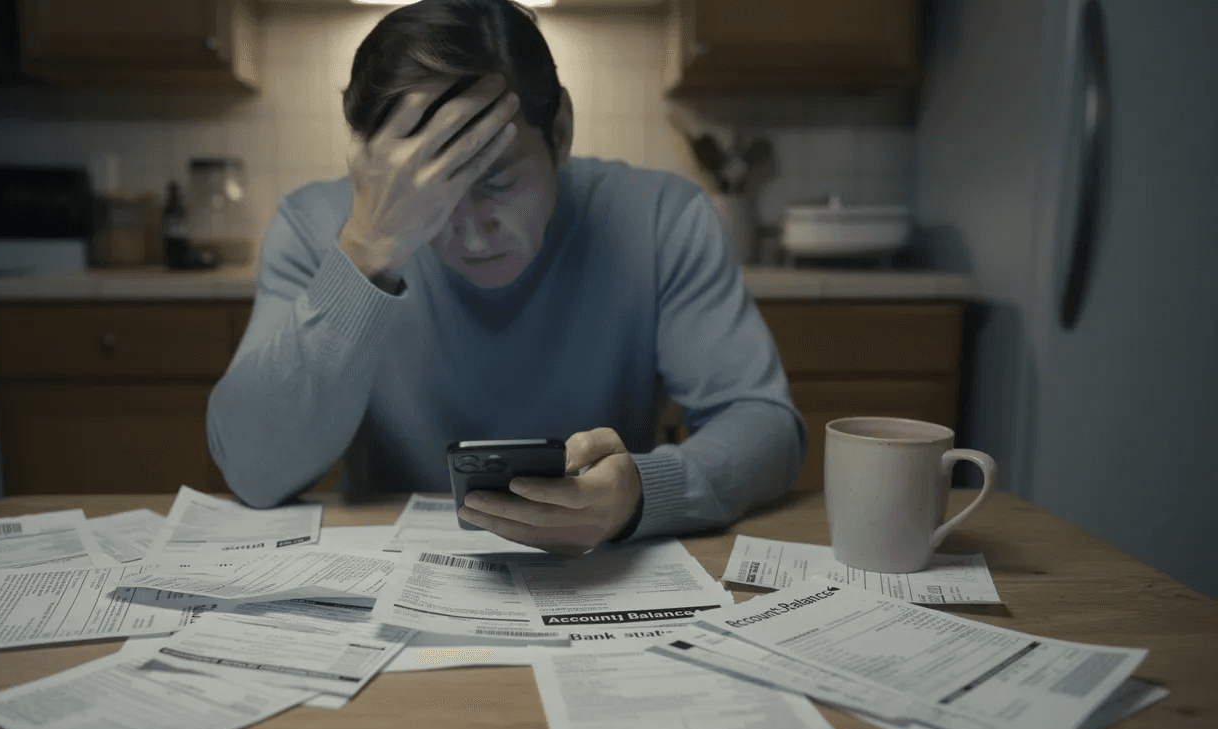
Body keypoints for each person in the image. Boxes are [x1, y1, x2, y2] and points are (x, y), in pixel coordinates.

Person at [207, 0, 805, 556]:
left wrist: (639, 491)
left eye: (498, 182)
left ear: (562, 131)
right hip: (391, 570)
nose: (470, 233)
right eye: (431, 194)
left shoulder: (660, 217)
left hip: (595, 575)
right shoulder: (315, 227)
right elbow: (254, 471)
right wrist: (365, 252)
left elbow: (765, 428)